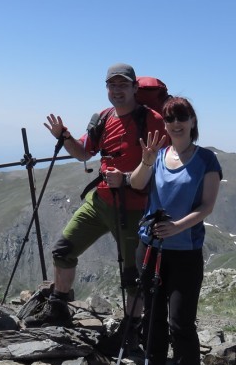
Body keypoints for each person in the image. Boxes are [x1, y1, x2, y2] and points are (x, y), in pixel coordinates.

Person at [31, 63, 165, 330]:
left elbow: (164, 165)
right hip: (100, 202)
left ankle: (131, 328)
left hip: (133, 209)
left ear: (135, 87)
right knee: (63, 250)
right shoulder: (104, 118)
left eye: (123, 85)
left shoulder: (151, 120)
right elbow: (83, 152)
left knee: (132, 276)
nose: (117, 90)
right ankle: (58, 308)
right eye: (112, 85)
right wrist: (64, 135)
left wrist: (126, 179)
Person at [128, 96, 221, 365]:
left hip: (184, 251)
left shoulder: (206, 160)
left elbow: (207, 205)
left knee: (181, 323)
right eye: (169, 119)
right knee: (152, 317)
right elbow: (137, 184)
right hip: (150, 246)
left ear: (193, 121)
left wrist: (177, 227)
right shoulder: (159, 156)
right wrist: (146, 161)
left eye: (181, 117)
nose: (175, 124)